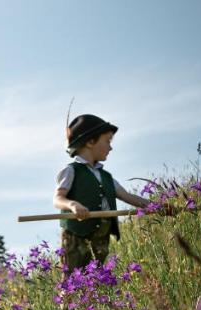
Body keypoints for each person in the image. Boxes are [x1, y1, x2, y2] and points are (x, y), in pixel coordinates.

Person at [53, 114, 150, 272]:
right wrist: (73, 205)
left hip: (101, 236)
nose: (110, 147)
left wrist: (156, 206)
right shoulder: (71, 171)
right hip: (76, 236)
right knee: (72, 280)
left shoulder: (106, 177)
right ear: (91, 142)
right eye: (107, 141)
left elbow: (128, 197)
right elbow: (57, 199)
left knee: (95, 280)